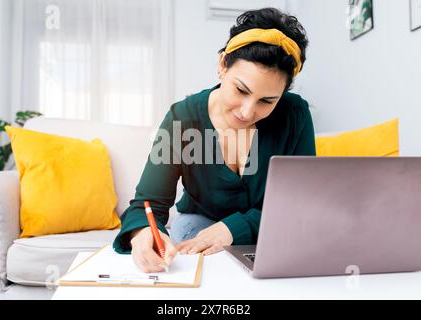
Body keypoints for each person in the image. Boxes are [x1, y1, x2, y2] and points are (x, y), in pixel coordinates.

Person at [113, 7, 316, 273]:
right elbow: (147, 203)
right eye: (240, 90)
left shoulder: (295, 114)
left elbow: (300, 204)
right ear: (222, 65)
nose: (247, 112)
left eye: (267, 101)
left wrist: (233, 229)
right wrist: (141, 234)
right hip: (200, 224)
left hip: (273, 226)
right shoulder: (181, 118)